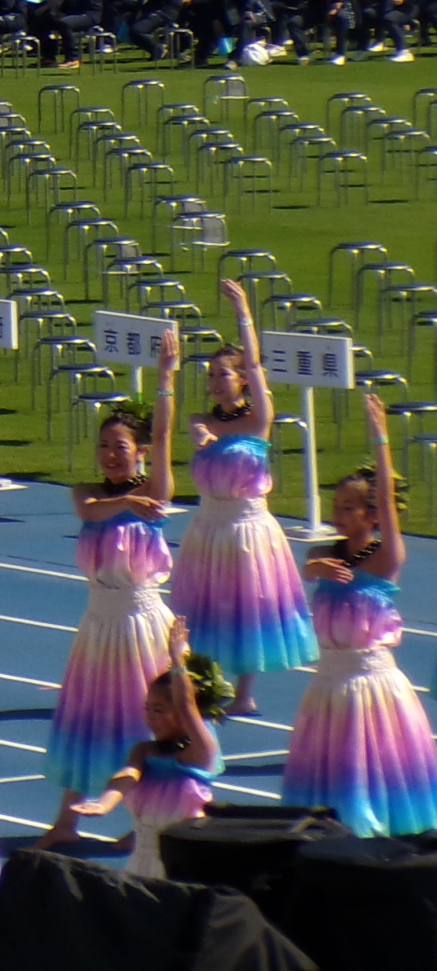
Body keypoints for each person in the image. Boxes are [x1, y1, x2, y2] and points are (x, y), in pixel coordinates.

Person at [40, 334, 179, 844]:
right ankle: (66, 819)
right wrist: (126, 507)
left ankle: (151, 822)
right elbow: (90, 511)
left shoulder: (155, 492)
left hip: (141, 623)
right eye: (103, 447)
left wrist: (166, 379)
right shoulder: (89, 495)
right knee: (87, 718)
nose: (109, 456)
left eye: (120, 448)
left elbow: (164, 440)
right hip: (99, 625)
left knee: (150, 722)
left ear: (140, 453)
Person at [280, 389, 437, 833]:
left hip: (371, 688)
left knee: (373, 776)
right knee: (328, 776)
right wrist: (312, 568)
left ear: (370, 516)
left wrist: (380, 438)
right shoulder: (323, 556)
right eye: (336, 507)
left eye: (350, 508)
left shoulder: (385, 560)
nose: (340, 514)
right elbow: (302, 575)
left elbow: (388, 501)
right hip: (329, 686)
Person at [172, 278, 316, 712]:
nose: (216, 382)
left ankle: (246, 693)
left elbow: (256, 365)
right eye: (211, 375)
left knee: (247, 607)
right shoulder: (201, 419)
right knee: (205, 606)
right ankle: (204, 684)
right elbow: (196, 433)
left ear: (242, 381)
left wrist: (244, 315)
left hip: (248, 528)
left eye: (224, 374)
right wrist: (200, 433)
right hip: (208, 526)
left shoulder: (258, 420)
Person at [65, 623, 226, 879]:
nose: (150, 718)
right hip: (143, 861)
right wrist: (104, 804)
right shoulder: (145, 751)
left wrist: (177, 661)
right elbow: (128, 776)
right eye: (147, 708)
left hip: (182, 863)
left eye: (160, 710)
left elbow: (186, 705)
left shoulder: (201, 753)